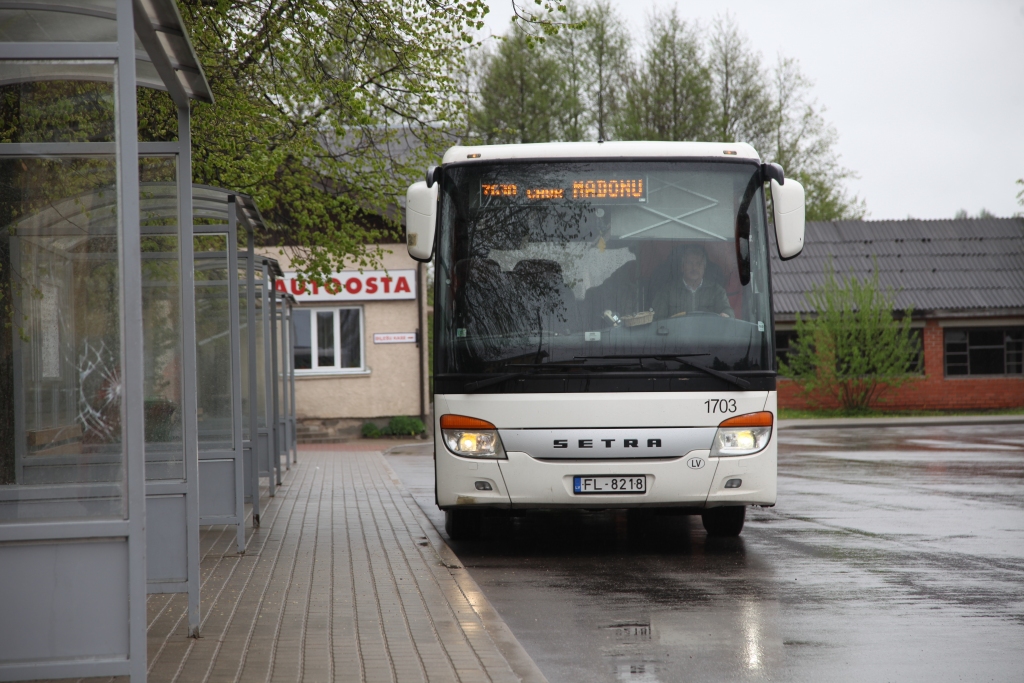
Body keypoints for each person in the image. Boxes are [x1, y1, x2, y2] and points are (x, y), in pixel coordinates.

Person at [652, 243, 733, 319]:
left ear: (704, 268)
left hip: (708, 333)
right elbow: (658, 320)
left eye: (698, 264)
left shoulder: (716, 290)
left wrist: (726, 314)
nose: (694, 268)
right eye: (690, 263)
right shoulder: (667, 291)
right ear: (682, 267)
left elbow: (727, 310)